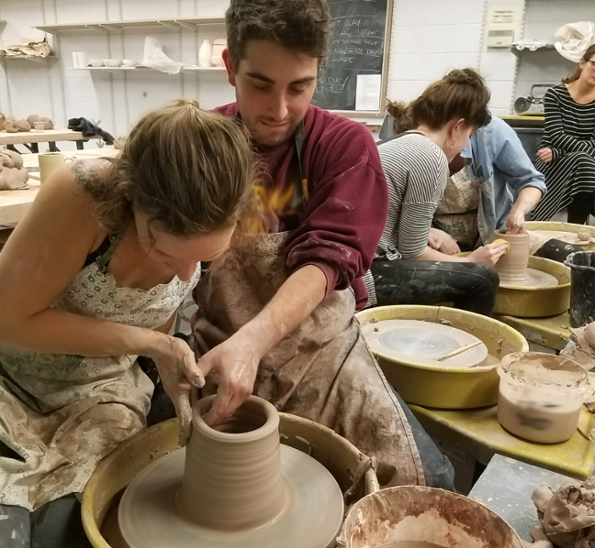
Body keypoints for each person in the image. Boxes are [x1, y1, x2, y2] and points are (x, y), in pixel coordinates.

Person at [191, 0, 454, 491]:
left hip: (323, 346)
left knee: (425, 479)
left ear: (318, 73)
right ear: (230, 67)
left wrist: (256, 340)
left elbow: (329, 255)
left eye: (300, 87)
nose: (279, 110)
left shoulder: (344, 145)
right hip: (220, 339)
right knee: (194, 468)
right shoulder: (202, 143)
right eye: (260, 84)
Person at [0, 100, 254, 548]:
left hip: (102, 387)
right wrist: (150, 345)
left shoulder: (212, 215)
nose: (183, 274)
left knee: (83, 519)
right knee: (20, 534)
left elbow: (161, 315)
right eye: (164, 253)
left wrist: (170, 364)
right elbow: (7, 320)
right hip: (14, 380)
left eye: (200, 260)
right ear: (134, 202)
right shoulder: (85, 196)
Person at [366, 69, 509, 316]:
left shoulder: (399, 142)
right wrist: (470, 262)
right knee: (482, 279)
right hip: (363, 274)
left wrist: (429, 231)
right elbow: (413, 252)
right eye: (470, 136)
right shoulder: (430, 155)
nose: (465, 145)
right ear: (457, 128)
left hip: (357, 260)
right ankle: (457, 350)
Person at [433, 116, 583, 263]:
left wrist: (519, 210)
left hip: (497, 236)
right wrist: (427, 232)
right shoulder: (420, 141)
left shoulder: (490, 131)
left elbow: (531, 181)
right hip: (435, 242)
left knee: (577, 259)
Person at [531, 44, 595, 224]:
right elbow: (556, 135)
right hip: (552, 162)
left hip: (567, 156)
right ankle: (577, 229)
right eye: (594, 65)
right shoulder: (555, 94)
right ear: (582, 63)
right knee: (585, 162)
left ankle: (577, 231)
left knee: (585, 162)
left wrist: (559, 150)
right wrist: (558, 152)